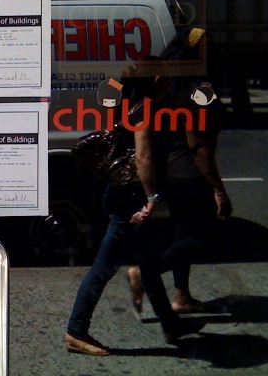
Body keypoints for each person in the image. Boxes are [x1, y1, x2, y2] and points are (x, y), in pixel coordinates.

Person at [64, 59, 204, 355]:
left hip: (123, 195)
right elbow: (144, 157)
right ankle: (76, 331)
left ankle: (170, 323)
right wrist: (152, 199)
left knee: (149, 263)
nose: (171, 83)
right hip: (130, 201)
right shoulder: (146, 109)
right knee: (103, 268)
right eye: (167, 78)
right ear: (157, 81)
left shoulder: (129, 104)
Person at [127, 27, 233, 315]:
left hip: (168, 172)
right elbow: (198, 145)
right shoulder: (198, 90)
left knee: (181, 234)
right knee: (201, 237)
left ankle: (181, 297)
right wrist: (219, 189)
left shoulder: (167, 84)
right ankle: (144, 273)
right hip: (190, 175)